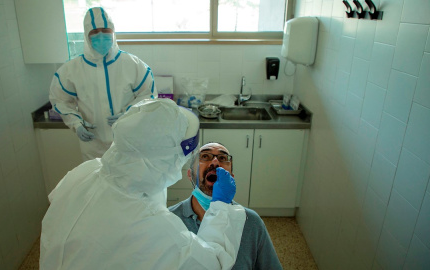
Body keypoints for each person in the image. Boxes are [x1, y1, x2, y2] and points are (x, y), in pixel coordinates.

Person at [40, 99, 247, 270]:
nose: (214, 162)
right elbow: (214, 263)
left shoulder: (86, 172)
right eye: (201, 155)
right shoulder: (154, 227)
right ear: (176, 165)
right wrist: (220, 208)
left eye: (222, 157)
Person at [49, 7, 156, 161]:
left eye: (105, 31)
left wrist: (129, 113)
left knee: (130, 181)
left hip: (129, 141)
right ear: (87, 35)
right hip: (93, 144)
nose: (100, 36)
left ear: (113, 32)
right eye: (95, 32)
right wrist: (77, 124)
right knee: (99, 182)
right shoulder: (71, 70)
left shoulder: (132, 64)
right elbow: (60, 100)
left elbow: (148, 95)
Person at [169, 142, 283, 270]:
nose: (215, 162)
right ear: (190, 175)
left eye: (223, 158)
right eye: (205, 156)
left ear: (231, 178)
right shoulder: (169, 221)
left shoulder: (251, 222)